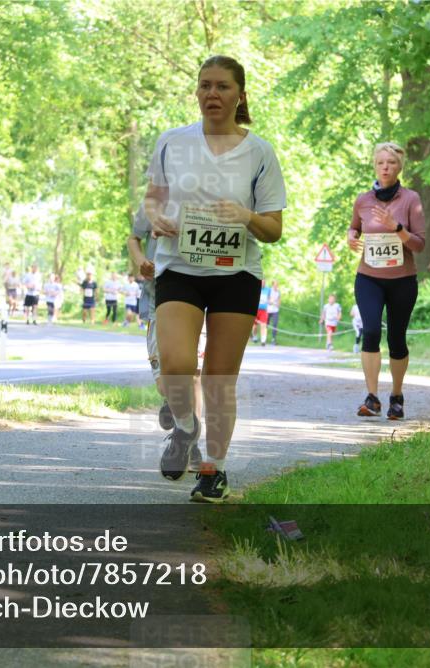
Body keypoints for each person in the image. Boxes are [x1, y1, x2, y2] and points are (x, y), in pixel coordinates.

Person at [145, 55, 286, 502]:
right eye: (205, 85)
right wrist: (157, 218)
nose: (212, 94)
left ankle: (213, 472)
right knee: (175, 363)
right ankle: (186, 427)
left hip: (236, 273)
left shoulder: (259, 152)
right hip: (179, 267)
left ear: (240, 95)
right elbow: (152, 199)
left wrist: (246, 216)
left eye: (223, 86)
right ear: (196, 91)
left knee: (219, 380)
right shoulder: (172, 142)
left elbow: (274, 229)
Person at [347, 141, 425, 420]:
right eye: (380, 163)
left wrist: (397, 228)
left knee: (396, 338)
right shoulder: (363, 200)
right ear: (374, 166)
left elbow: (419, 245)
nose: (385, 168)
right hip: (369, 277)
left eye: (391, 163)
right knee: (370, 332)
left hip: (402, 280)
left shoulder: (411, 199)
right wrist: (351, 237)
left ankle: (396, 396)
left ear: (399, 167)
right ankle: (372, 397)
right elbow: (354, 227)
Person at [129, 205, 203, 436]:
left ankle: (189, 441)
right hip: (158, 299)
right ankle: (176, 407)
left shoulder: (208, 198)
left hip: (199, 297)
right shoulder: (155, 201)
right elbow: (133, 238)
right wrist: (141, 261)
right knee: (165, 384)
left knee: (194, 375)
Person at [253, 280, 270, 346]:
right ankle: (255, 336)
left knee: (263, 325)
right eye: (262, 282)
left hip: (264, 310)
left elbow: (270, 298)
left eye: (264, 283)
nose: (263, 284)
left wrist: (270, 301)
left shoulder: (268, 289)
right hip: (256, 310)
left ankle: (263, 340)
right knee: (255, 326)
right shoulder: (256, 288)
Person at [267, 280, 281, 345]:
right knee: (266, 324)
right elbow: (267, 298)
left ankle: (273, 339)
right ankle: (264, 338)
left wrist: (278, 304)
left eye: (277, 284)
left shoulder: (278, 291)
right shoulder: (269, 290)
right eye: (275, 284)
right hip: (268, 310)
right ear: (272, 285)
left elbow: (279, 300)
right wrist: (269, 302)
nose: (276, 286)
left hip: (275, 310)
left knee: (275, 324)